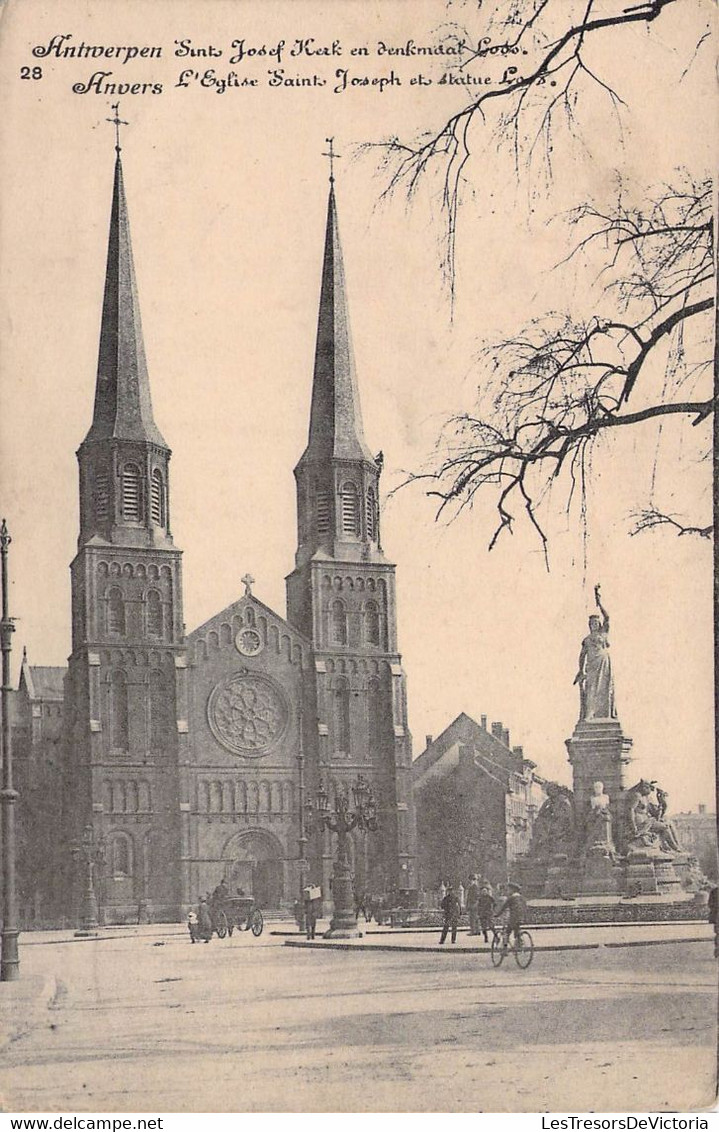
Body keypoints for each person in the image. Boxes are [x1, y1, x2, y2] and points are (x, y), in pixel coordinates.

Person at [574, 584, 617, 720]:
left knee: (604, 688)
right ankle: (590, 714)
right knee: (591, 688)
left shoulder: (603, 634)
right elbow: (582, 655)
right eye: (592, 623)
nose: (594, 625)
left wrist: (599, 603)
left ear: (599, 625)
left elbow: (608, 618)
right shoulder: (586, 640)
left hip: (603, 663)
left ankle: (604, 714)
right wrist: (581, 670)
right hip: (592, 666)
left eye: (596, 623)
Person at [495, 882, 524, 949]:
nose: (508, 891)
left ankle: (504, 949)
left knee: (506, 932)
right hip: (521, 917)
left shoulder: (511, 898)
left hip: (513, 918)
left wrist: (497, 914)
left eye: (509, 889)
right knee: (516, 930)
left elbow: (504, 907)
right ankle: (519, 943)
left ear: (512, 890)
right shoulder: (521, 897)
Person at [707, 886, 718, 959]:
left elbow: (710, 904)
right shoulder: (714, 891)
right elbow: (710, 904)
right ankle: (717, 950)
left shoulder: (714, 891)